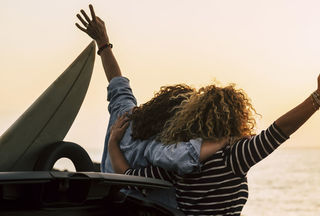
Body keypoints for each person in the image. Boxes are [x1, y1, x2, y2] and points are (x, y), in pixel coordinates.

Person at [109, 57, 320, 216]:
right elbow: (278, 131)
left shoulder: (177, 164)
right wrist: (318, 98)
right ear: (237, 116)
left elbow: (128, 176)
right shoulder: (233, 156)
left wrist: (113, 143)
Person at [75, 5, 226, 175]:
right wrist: (226, 138)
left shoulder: (125, 117)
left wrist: (102, 43)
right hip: (131, 199)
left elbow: (117, 82)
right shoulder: (157, 146)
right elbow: (184, 159)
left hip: (107, 189)